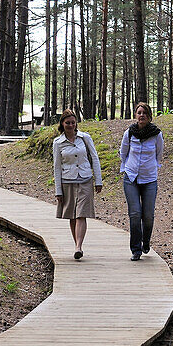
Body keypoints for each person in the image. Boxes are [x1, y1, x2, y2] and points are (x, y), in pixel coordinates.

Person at [53, 110, 103, 260]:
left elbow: (94, 158)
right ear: (62, 124)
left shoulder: (85, 138)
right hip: (67, 181)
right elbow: (56, 167)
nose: (70, 125)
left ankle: (78, 246)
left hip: (85, 179)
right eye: (67, 122)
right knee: (72, 215)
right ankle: (77, 246)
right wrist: (58, 190)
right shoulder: (58, 143)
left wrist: (98, 180)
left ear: (76, 123)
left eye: (73, 122)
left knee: (81, 213)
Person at [119, 102, 163, 261]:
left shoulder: (157, 134)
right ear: (135, 115)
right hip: (131, 178)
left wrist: (153, 168)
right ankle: (136, 249)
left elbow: (159, 154)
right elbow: (123, 152)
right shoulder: (129, 133)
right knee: (135, 213)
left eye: (144, 112)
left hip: (150, 179)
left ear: (149, 116)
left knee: (148, 215)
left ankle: (146, 241)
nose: (141, 115)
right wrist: (125, 169)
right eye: (139, 112)